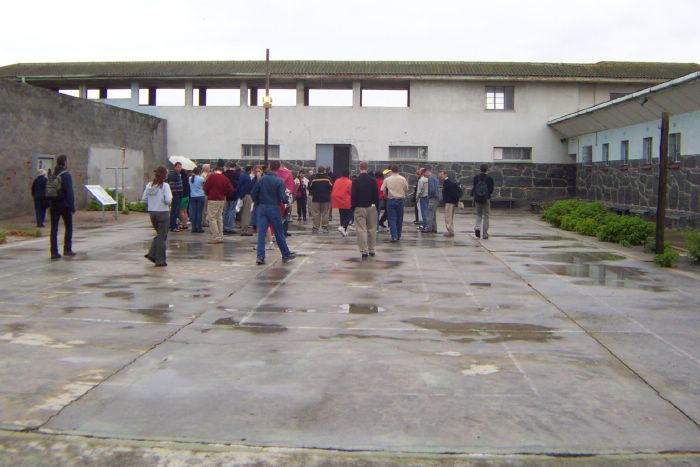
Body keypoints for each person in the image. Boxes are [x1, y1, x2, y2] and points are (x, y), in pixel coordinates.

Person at [250, 160, 296, 265]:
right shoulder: (279, 181)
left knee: (261, 233)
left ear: (270, 167)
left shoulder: (262, 179)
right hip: (274, 207)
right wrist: (287, 200)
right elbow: (283, 197)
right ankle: (285, 253)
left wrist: (258, 202)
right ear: (278, 168)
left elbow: (253, 193)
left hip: (262, 207)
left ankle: (260, 257)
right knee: (279, 232)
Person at [142, 166, 172, 267]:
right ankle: (160, 260)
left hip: (152, 213)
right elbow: (168, 200)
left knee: (159, 235)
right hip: (163, 212)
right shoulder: (165, 186)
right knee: (162, 237)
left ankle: (152, 254)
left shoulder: (149, 185)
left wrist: (151, 204)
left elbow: (144, 198)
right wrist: (165, 202)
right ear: (164, 175)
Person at [48, 155, 75, 259]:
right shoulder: (66, 175)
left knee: (54, 229)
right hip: (64, 205)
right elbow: (69, 192)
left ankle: (54, 252)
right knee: (68, 227)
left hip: (54, 205)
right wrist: (72, 206)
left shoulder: (53, 174)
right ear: (64, 163)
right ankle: (67, 249)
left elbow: (49, 192)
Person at [352, 161, 379, 258]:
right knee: (372, 229)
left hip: (359, 207)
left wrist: (353, 207)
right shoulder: (373, 180)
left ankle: (364, 250)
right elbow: (376, 195)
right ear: (367, 168)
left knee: (361, 229)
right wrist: (376, 206)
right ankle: (372, 249)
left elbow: (353, 195)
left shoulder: (356, 181)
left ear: (359, 168)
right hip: (371, 207)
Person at [203, 163, 234, 244]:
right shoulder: (225, 178)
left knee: (212, 218)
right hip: (222, 199)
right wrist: (224, 193)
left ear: (214, 170)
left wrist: (208, 193)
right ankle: (220, 236)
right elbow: (231, 189)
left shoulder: (212, 177)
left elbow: (205, 187)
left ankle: (215, 237)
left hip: (213, 199)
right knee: (219, 218)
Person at [380, 165, 409, 242]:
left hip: (391, 200)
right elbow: (406, 189)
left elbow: (382, 190)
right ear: (398, 170)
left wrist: (386, 196)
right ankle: (398, 235)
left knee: (392, 219)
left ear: (391, 170)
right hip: (400, 200)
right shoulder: (403, 179)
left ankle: (394, 236)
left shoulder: (387, 179)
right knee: (399, 219)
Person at [472, 164, 495, 239]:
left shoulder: (476, 178)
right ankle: (485, 234)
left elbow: (474, 188)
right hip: (486, 198)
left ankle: (477, 228)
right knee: (486, 216)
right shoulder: (490, 178)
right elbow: (491, 190)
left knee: (478, 214)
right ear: (487, 170)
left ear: (480, 169)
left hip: (477, 199)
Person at [308, 165, 333, 233]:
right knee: (325, 213)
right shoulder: (328, 179)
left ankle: (316, 228)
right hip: (325, 199)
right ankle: (325, 227)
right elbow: (331, 187)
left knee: (316, 213)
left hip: (315, 199)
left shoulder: (313, 179)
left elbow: (309, 187)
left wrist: (313, 193)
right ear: (324, 171)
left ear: (318, 170)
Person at [331, 169, 353, 237]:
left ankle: (343, 230)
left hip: (338, 201)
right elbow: (351, 192)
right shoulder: (349, 182)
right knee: (349, 215)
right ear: (348, 174)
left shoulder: (337, 181)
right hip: (346, 201)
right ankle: (343, 227)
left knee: (342, 215)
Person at [439, 170, 460, 237]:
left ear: (445, 174)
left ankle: (450, 231)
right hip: (450, 201)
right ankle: (450, 230)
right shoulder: (448, 182)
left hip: (449, 202)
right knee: (449, 216)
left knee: (448, 217)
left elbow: (453, 193)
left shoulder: (448, 183)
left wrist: (454, 200)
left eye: (441, 174)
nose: (440, 176)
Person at [237, 166, 254, 236]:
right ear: (250, 170)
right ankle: (244, 230)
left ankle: (243, 228)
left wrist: (240, 196)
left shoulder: (242, 175)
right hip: (246, 195)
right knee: (246, 213)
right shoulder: (247, 177)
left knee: (243, 213)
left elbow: (239, 186)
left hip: (242, 195)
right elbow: (247, 187)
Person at [223, 162, 239, 235]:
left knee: (226, 211)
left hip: (226, 195)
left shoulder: (224, 174)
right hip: (234, 195)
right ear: (234, 167)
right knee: (232, 211)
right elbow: (237, 185)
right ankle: (230, 227)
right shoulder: (236, 174)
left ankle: (224, 225)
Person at [167, 162, 184, 232]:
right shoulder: (173, 175)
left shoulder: (178, 175)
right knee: (174, 212)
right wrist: (176, 195)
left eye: (180, 167)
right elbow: (172, 187)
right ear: (175, 167)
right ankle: (173, 226)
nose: (180, 168)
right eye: (178, 167)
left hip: (178, 195)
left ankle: (174, 225)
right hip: (175, 196)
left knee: (176, 212)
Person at [422, 169, 440, 233]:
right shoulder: (434, 177)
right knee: (433, 214)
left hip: (432, 198)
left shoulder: (430, 178)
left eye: (424, 175)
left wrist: (429, 196)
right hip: (436, 198)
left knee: (429, 214)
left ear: (426, 172)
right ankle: (434, 228)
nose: (425, 176)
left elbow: (432, 189)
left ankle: (428, 228)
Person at [188, 167, 205, 233]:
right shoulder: (201, 178)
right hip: (200, 195)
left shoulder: (190, 178)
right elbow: (204, 186)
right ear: (199, 172)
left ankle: (194, 227)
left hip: (193, 196)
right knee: (199, 212)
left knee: (193, 212)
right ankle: (199, 227)